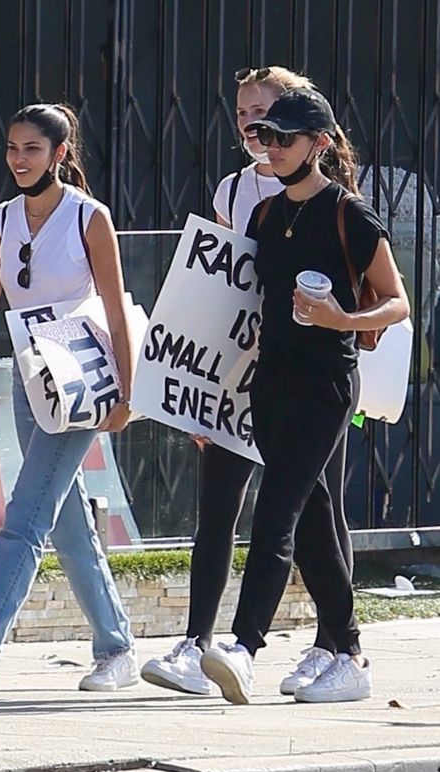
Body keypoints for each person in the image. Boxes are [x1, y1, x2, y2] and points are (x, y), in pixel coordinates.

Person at [142, 67, 354, 697]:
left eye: (264, 114)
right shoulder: (237, 194)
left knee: (311, 510)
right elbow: (217, 293)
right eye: (244, 115)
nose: (254, 128)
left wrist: (343, 323)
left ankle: (328, 644)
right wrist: (199, 390)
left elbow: (374, 290)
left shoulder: (332, 199)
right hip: (245, 372)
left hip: (314, 375)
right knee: (221, 509)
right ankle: (198, 642)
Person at [198, 87, 409, 704]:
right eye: (264, 137)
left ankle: (243, 644)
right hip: (271, 383)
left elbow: (398, 301)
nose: (271, 147)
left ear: (317, 144)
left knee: (277, 513)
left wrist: (340, 317)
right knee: (314, 523)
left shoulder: (349, 215)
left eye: (283, 138)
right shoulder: (263, 218)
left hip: (326, 384)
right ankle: (348, 651)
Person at [0, 103, 139, 693]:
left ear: (59, 154)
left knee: (26, 516)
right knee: (67, 521)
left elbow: (118, 312)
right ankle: (117, 647)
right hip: (31, 373)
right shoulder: (0, 219)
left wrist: (127, 392)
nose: (18, 159)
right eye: (11, 148)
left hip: (80, 371)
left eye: (31, 148)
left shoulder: (88, 217)